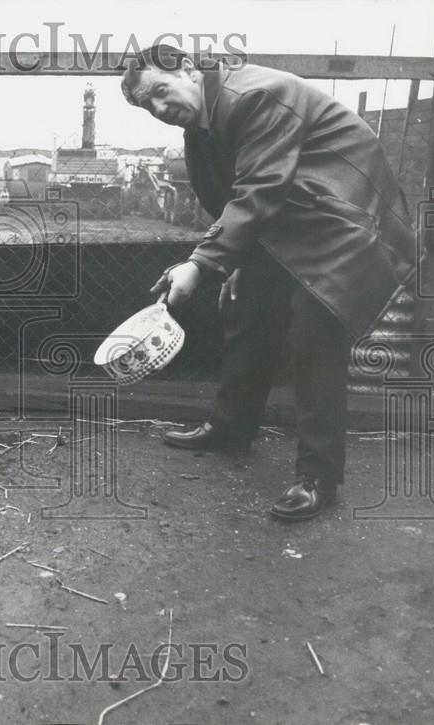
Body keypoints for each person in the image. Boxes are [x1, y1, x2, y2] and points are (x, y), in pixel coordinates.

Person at [121, 46, 416, 521]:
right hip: (290, 212)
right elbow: (229, 197)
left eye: (160, 90)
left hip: (343, 215)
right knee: (246, 306)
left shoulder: (254, 95)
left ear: (190, 70)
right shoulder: (202, 121)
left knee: (315, 336)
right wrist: (230, 260)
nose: (158, 107)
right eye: (147, 104)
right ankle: (232, 427)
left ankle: (319, 476)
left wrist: (201, 263)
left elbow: (259, 187)